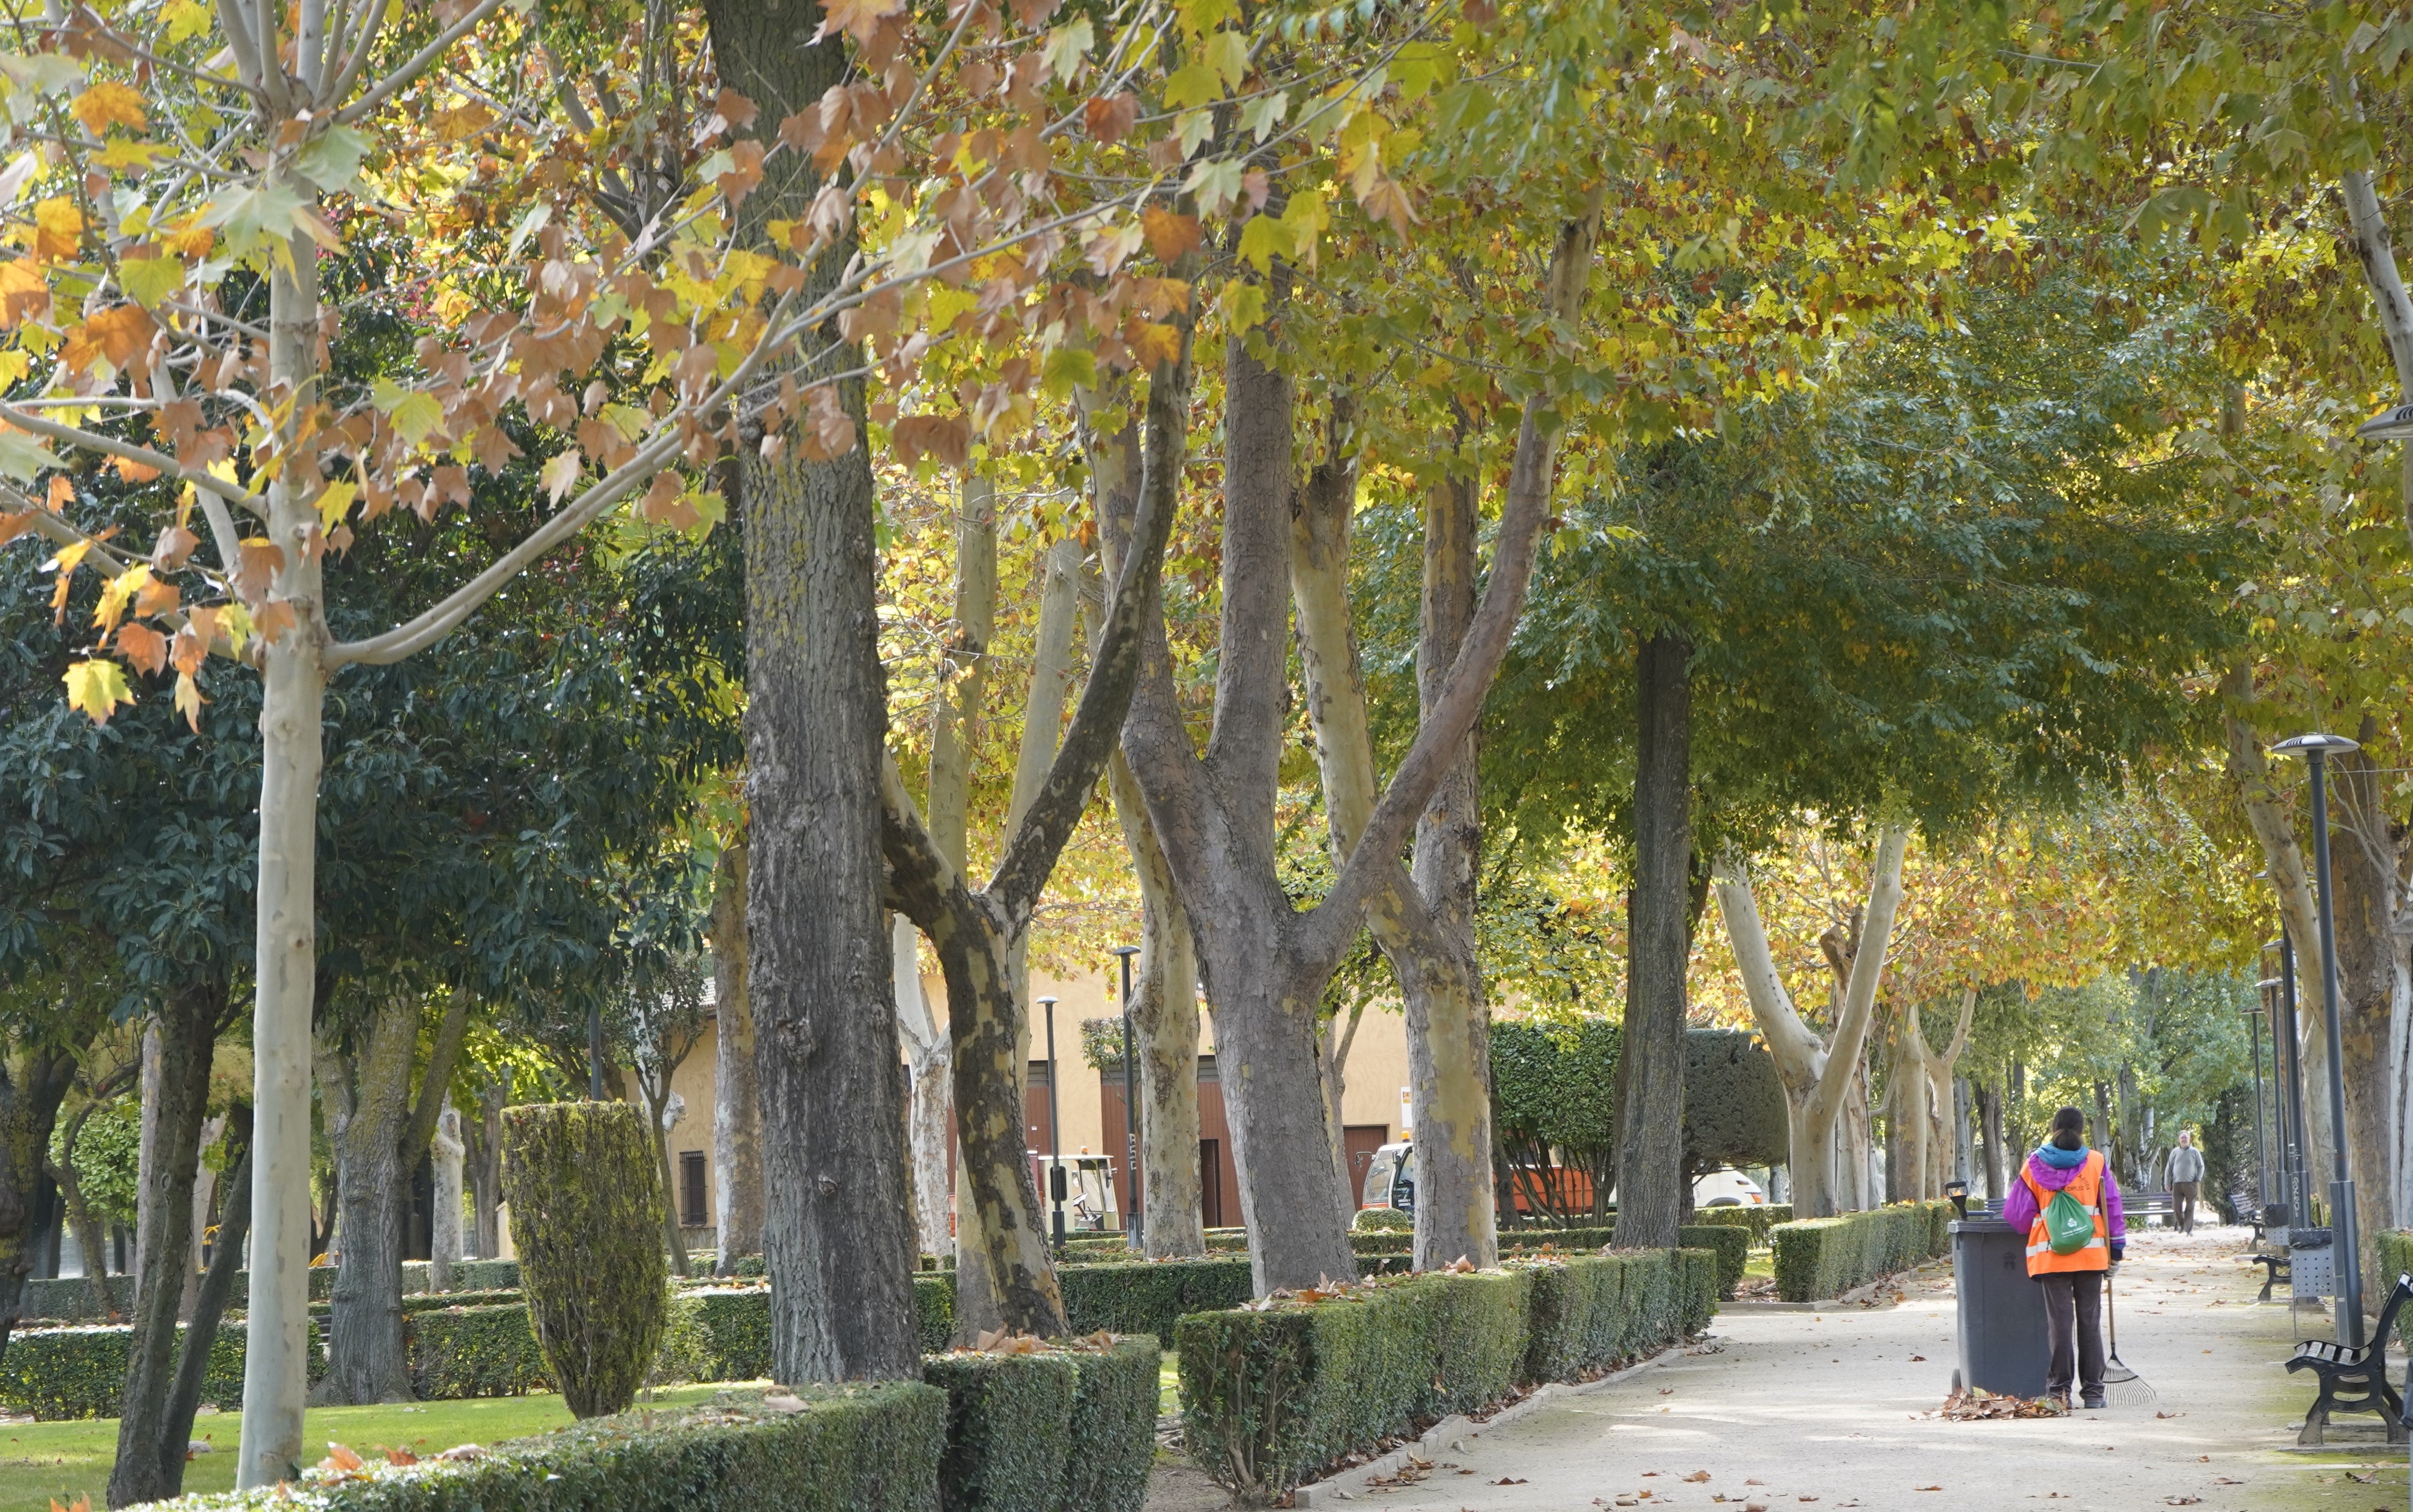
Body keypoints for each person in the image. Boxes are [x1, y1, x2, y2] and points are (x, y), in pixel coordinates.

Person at [2002, 1105, 2127, 1409]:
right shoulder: (2096, 1162)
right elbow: (2112, 1206)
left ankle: (2059, 1393)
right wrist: (2116, 1251)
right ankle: (2094, 1393)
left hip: (2051, 1257)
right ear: (2082, 1131)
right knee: (2089, 1322)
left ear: (2053, 1129)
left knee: (2060, 1325)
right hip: (2091, 1256)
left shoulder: (2033, 1165)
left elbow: (2018, 1217)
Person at [2166, 1131, 2205, 1235]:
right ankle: (2182, 1225)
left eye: (2186, 1138)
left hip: (2191, 1184)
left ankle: (2189, 1229)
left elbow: (2201, 1166)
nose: (2184, 1139)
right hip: (2177, 1184)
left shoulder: (2195, 1152)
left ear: (2189, 1140)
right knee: (2176, 1207)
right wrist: (2167, 1183)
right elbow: (2169, 1168)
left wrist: (2198, 1179)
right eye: (2182, 1138)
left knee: (2190, 1208)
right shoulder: (2175, 1152)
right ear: (2179, 1140)